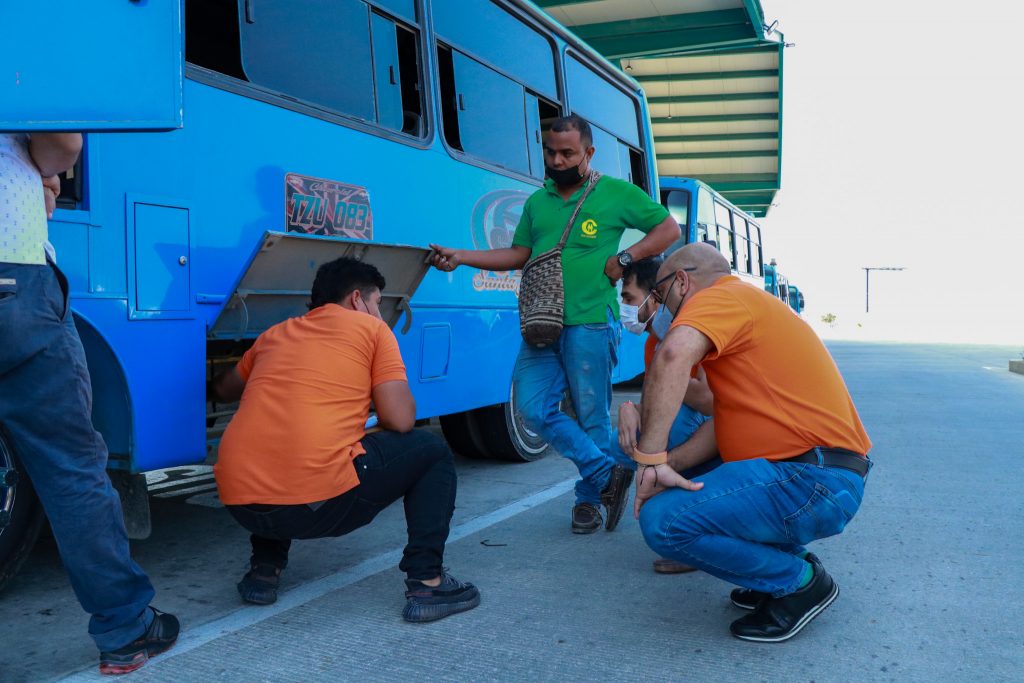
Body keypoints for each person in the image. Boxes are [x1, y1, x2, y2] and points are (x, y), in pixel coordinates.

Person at [430, 115, 680, 534]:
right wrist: (462, 256)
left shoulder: (614, 193)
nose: (558, 160)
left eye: (568, 153)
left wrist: (624, 258)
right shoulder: (537, 203)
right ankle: (606, 476)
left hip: (591, 325)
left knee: (592, 419)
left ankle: (588, 503)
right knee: (531, 407)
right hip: (541, 324)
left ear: (588, 153)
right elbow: (518, 255)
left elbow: (668, 228)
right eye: (551, 152)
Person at [211, 256, 480, 623]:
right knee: (431, 451)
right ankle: (428, 582)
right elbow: (400, 420)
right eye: (378, 303)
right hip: (314, 506)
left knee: (282, 435)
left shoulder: (274, 335)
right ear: (358, 299)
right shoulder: (372, 331)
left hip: (239, 504)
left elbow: (225, 390)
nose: (380, 314)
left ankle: (264, 571)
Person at [0, 132, 179, 674]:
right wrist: (45, 173)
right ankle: (126, 629)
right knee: (70, 467)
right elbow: (60, 143)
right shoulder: (22, 50)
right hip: (11, 277)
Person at [632, 243, 872, 642]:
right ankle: (780, 571)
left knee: (663, 522)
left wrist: (649, 459)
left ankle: (800, 583)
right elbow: (720, 424)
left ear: (681, 282)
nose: (658, 309)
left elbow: (673, 353)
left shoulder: (722, 297)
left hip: (809, 479)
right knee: (689, 487)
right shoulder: (748, 310)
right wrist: (667, 467)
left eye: (659, 296)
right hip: (819, 477)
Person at [614, 256, 717, 574]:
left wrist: (669, 363)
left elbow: (711, 403)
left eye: (630, 299)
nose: (626, 310)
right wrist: (629, 409)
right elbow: (653, 399)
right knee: (612, 442)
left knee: (675, 421)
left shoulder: (696, 331)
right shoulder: (654, 342)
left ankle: (695, 530)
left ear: (655, 296)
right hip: (696, 424)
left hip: (720, 429)